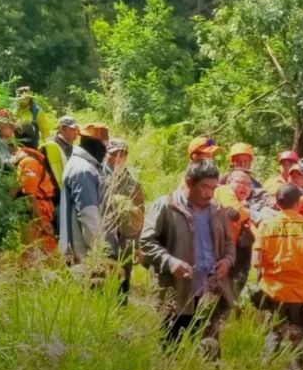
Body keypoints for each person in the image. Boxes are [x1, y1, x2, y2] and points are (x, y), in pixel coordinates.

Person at [140, 161, 234, 348]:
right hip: (176, 293)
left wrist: (227, 261)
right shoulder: (166, 206)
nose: (209, 193)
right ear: (189, 182)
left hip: (209, 292)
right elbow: (146, 242)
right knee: (170, 350)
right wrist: (169, 262)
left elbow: (229, 244)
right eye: (204, 187)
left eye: (213, 188)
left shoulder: (217, 210)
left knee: (208, 353)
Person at [254, 184, 303, 354]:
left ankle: (266, 368)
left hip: (274, 292)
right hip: (302, 293)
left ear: (277, 203)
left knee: (274, 332)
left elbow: (257, 261)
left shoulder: (266, 225)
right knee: (300, 337)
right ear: (298, 203)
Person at [101, 138, 145, 297]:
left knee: (122, 283)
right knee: (101, 282)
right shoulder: (98, 177)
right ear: (106, 155)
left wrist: (138, 246)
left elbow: (139, 216)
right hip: (103, 240)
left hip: (125, 241)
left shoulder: (133, 184)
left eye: (122, 155)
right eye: (114, 154)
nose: (117, 158)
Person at [62, 123, 110, 263]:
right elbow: (88, 215)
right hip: (84, 254)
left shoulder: (80, 164)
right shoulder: (83, 170)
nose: (106, 151)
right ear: (96, 145)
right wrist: (100, 251)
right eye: (104, 145)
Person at [12, 124, 57, 255]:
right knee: (48, 255)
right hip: (37, 213)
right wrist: (41, 222)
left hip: (40, 211)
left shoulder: (27, 158)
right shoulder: (30, 161)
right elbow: (29, 196)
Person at [214, 168, 256, 298]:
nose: (246, 188)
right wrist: (247, 211)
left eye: (249, 185)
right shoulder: (224, 190)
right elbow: (236, 213)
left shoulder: (241, 201)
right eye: (241, 183)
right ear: (229, 181)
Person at [41, 115, 81, 247]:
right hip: (55, 196)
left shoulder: (70, 146)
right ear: (63, 129)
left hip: (67, 194)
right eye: (72, 129)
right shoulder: (51, 146)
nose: (76, 133)